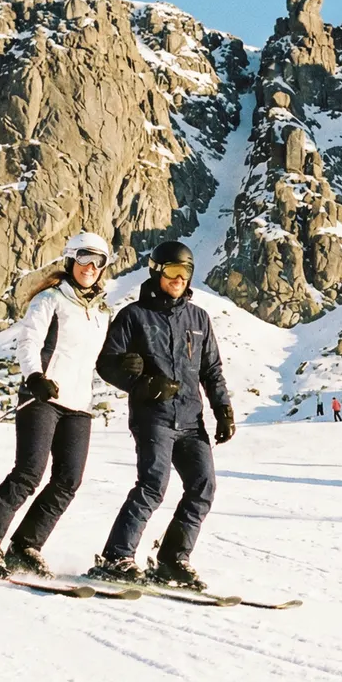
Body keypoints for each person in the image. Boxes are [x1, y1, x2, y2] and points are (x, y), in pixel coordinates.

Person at [0, 232, 114, 578]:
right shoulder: (50, 299)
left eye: (99, 261)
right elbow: (29, 340)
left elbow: (100, 359)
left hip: (79, 405)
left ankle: (25, 546)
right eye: (84, 258)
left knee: (68, 480)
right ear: (70, 259)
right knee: (28, 473)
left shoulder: (101, 312)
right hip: (43, 397)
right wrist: (34, 376)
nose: (91, 267)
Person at [88, 240, 234, 590]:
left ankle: (172, 559)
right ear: (156, 271)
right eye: (172, 271)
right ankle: (117, 556)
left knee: (203, 487)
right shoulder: (133, 316)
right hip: (153, 416)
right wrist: (141, 382)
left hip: (191, 419)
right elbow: (108, 364)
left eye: (185, 272)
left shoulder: (198, 318)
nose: (179, 278)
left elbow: (211, 368)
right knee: (153, 486)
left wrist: (223, 409)